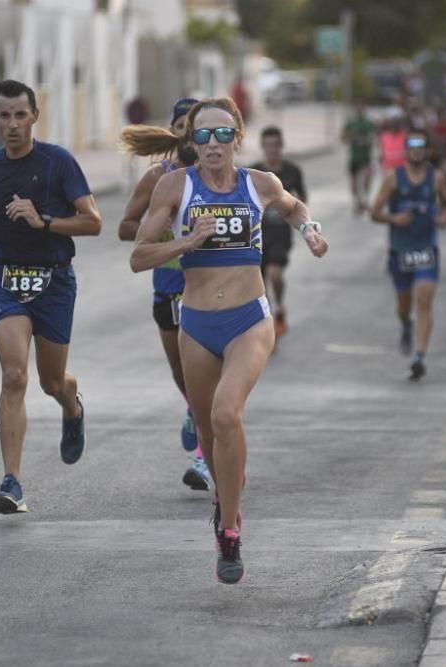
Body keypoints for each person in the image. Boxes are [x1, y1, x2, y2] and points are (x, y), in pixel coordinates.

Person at [128, 97, 328, 584]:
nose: (212, 144)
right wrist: (187, 242)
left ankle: (231, 531)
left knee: (224, 412)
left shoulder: (259, 183)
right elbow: (139, 256)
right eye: (202, 135)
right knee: (209, 431)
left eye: (222, 135)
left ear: (238, 138)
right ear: (190, 141)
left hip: (248, 320)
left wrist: (310, 230)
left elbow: (293, 206)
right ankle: (225, 501)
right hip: (195, 322)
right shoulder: (176, 185)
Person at [0, 79, 102, 514]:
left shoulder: (58, 162)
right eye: (4, 116)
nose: (13, 124)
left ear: (35, 117)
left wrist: (44, 221)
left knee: (51, 381)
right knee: (14, 376)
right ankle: (12, 483)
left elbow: (93, 222)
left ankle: (71, 406)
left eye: (20, 115)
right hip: (7, 278)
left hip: (54, 280)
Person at [118, 97, 213, 493]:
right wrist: (165, 236)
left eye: (197, 126)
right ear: (175, 132)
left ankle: (204, 460)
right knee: (183, 374)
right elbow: (126, 227)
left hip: (210, 290)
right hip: (169, 289)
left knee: (209, 376)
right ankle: (193, 409)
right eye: (183, 126)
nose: (190, 133)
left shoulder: (220, 175)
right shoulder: (158, 177)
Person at [370, 128, 446, 381]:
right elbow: (374, 212)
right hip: (400, 250)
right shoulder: (394, 179)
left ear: (428, 151)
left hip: (427, 247)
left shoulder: (436, 178)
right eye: (412, 147)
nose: (417, 151)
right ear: (406, 151)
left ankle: (419, 357)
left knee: (425, 299)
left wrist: (444, 219)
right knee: (404, 305)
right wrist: (393, 217)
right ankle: (406, 324)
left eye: (421, 147)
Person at [249, 126, 308, 339]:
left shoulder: (292, 171)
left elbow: (302, 200)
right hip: (256, 235)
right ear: (263, 147)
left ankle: (280, 305)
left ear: (281, 146)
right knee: (260, 284)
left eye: (276, 145)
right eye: (268, 145)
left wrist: (297, 220)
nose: (272, 150)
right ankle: (267, 321)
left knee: (275, 273)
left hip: (281, 234)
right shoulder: (253, 173)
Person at [341, 101, 374, 215]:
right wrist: (351, 137)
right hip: (354, 157)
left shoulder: (368, 122)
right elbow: (343, 137)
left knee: (366, 179)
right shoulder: (351, 122)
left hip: (366, 157)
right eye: (358, 108)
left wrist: (365, 140)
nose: (360, 110)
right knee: (354, 181)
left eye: (362, 108)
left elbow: (372, 138)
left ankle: (365, 199)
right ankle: (357, 202)